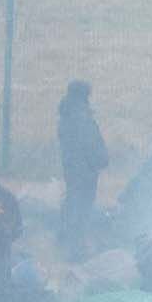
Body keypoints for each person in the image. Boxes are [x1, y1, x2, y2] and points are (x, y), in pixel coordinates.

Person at [54, 81, 108, 249]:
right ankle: (75, 246)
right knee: (82, 205)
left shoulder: (67, 114)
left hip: (71, 165)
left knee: (72, 199)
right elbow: (91, 144)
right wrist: (101, 159)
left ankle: (64, 236)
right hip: (85, 168)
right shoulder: (81, 117)